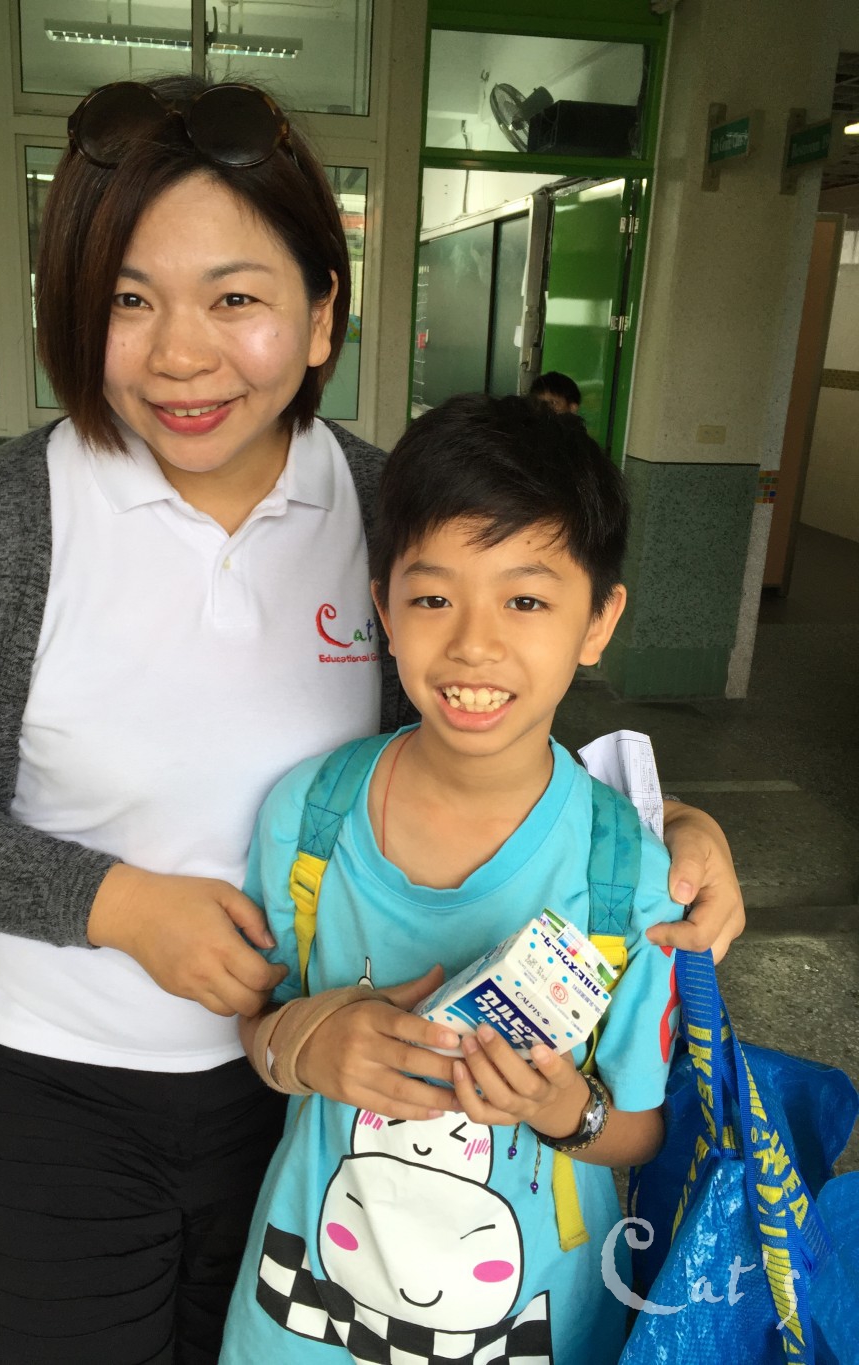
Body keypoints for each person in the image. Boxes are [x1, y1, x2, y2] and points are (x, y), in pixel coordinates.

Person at [0, 73, 739, 1365]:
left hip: (317, 1103)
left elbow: (482, 715)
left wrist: (667, 820)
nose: (179, 355)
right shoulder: (4, 522)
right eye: (128, 300)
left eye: (235, 299)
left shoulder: (385, 512)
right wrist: (113, 904)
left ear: (321, 315)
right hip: (53, 1084)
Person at [222, 393, 677, 1365]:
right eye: (433, 598)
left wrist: (560, 1108)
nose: (473, 643)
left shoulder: (628, 875)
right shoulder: (307, 819)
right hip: (305, 1319)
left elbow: (638, 1127)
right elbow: (254, 1025)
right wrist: (304, 1047)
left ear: (598, 620)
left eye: (526, 601)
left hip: (531, 1322)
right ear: (383, 608)